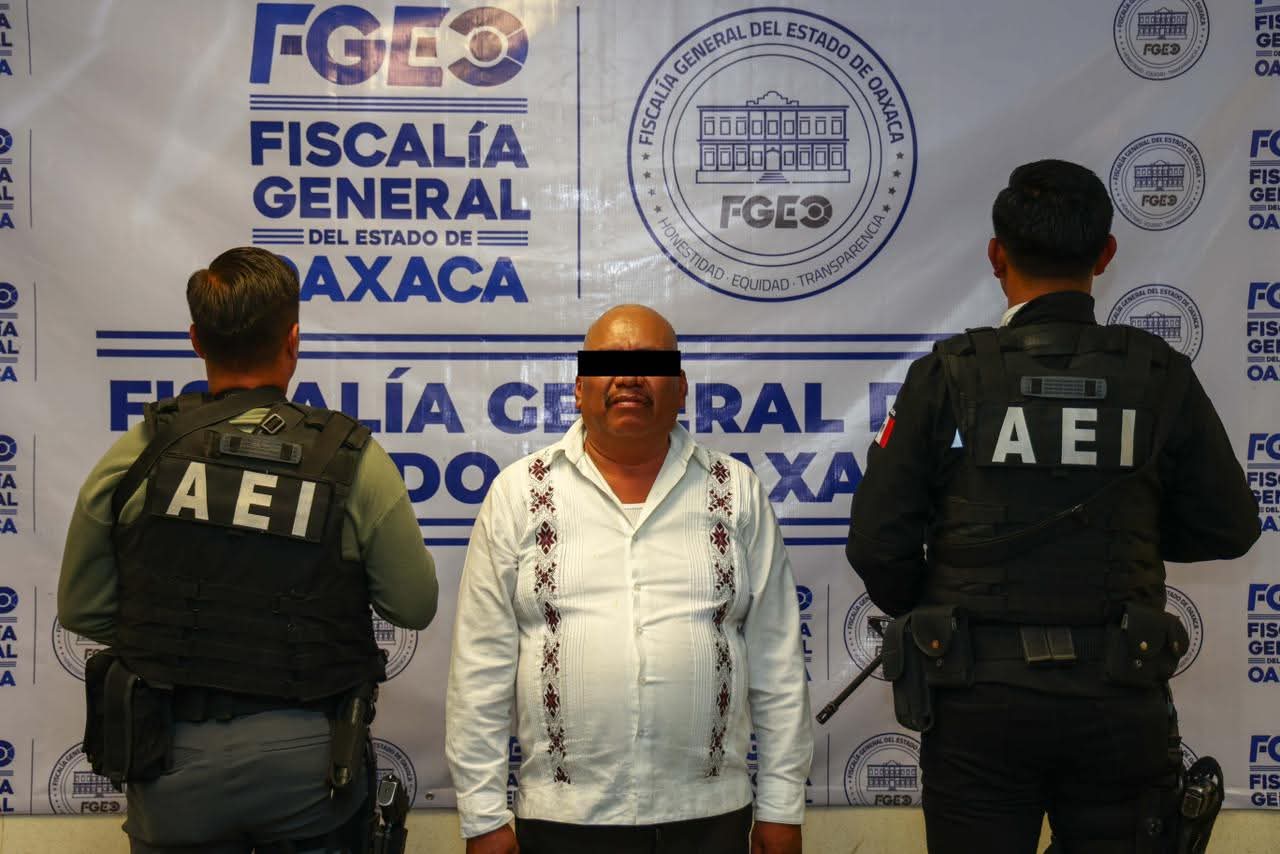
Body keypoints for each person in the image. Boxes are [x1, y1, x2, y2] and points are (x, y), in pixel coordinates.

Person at [846, 160, 1260, 853]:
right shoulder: (1158, 373)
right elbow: (1231, 526)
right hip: (1119, 692)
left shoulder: (947, 374)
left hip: (976, 698)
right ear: (1105, 254)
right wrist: (1132, 534)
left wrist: (945, 605)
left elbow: (877, 542)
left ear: (995, 255)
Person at [57, 246, 439, 853]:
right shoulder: (352, 461)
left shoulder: (138, 453)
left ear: (195, 340)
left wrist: (173, 633)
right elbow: (413, 605)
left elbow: (81, 608)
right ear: (293, 341)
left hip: (171, 758)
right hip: (310, 767)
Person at [446, 305, 812, 854]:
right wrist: (481, 816)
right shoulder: (518, 494)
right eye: (608, 363)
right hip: (563, 820)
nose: (629, 378)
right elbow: (480, 668)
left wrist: (782, 806)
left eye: (651, 363)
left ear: (681, 388)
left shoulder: (736, 492)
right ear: (579, 388)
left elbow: (777, 660)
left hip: (708, 816)